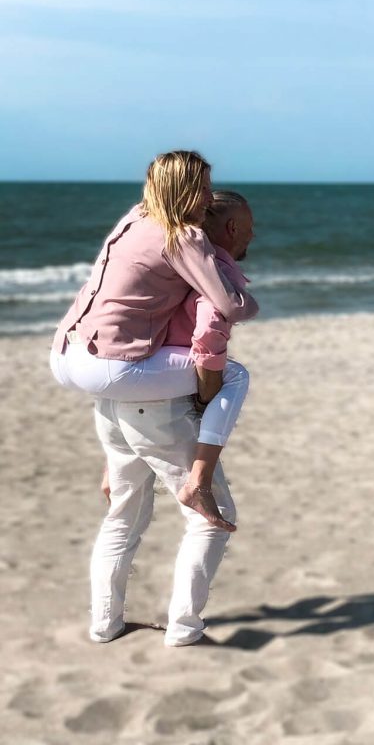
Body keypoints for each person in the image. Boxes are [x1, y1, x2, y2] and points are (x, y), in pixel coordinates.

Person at [50, 151, 258, 531]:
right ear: (186, 189)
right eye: (205, 189)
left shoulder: (133, 218)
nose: (209, 199)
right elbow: (226, 305)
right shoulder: (184, 235)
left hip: (67, 351)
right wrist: (250, 301)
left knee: (122, 519)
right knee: (237, 376)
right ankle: (199, 478)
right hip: (110, 366)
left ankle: (115, 466)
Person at [88, 189, 256, 646]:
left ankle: (105, 624)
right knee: (209, 519)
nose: (254, 234)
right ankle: (184, 628)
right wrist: (206, 393)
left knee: (123, 516)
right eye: (249, 225)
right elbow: (208, 334)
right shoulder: (211, 272)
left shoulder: (163, 262)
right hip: (160, 409)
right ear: (232, 228)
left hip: (117, 399)